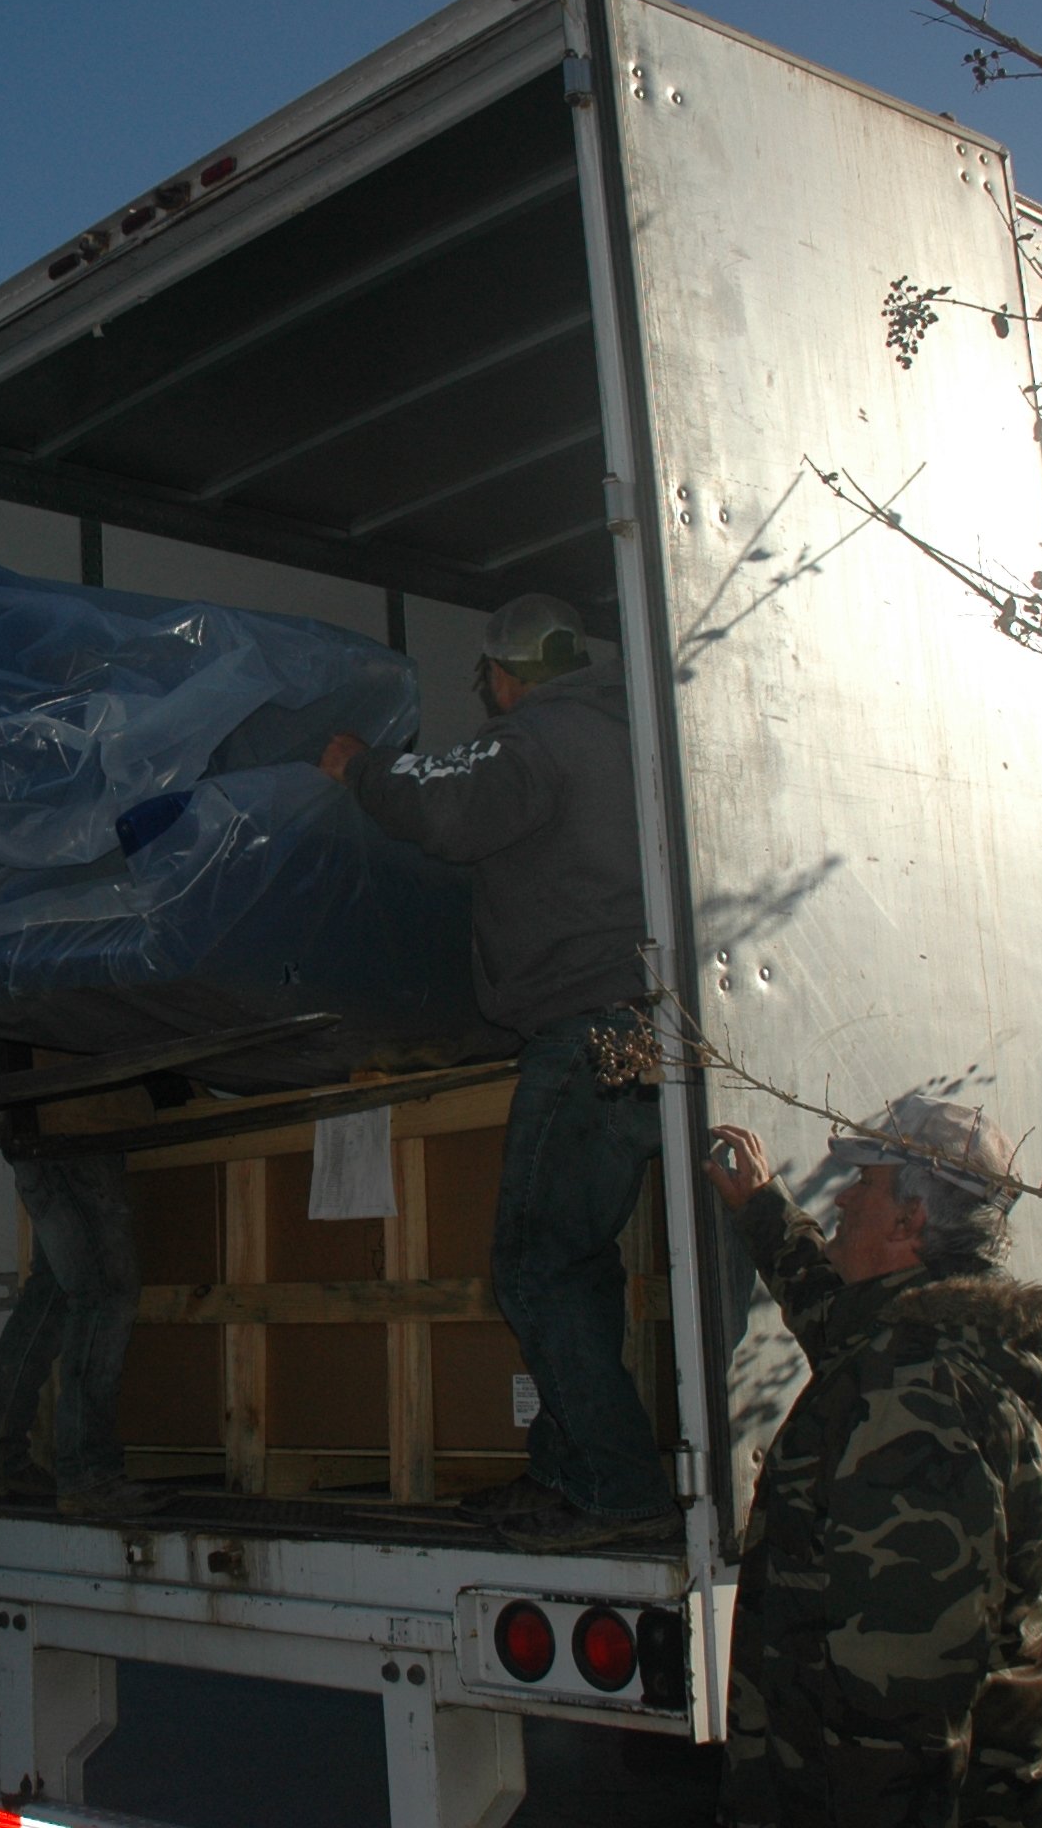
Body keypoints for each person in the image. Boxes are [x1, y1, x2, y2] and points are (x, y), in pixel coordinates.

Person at [318, 593, 671, 1550]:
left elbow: (447, 808)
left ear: (504, 677)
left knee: (536, 1266)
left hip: (586, 1024)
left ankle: (613, 1485)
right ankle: (569, 1472)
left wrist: (361, 770)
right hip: (649, 1027)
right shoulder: (638, 731)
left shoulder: (537, 736)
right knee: (577, 1258)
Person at [699, 1096, 1042, 1828]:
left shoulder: (920, 1404)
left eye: (865, 1183)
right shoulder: (934, 1332)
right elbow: (833, 1315)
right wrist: (761, 1209)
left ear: (909, 1222)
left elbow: (902, 1724)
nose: (843, 1195)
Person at [0, 1150, 163, 1519]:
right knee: (105, 1294)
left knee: (51, 1296)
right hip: (74, 1147)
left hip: (42, 1149)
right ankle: (88, 1474)